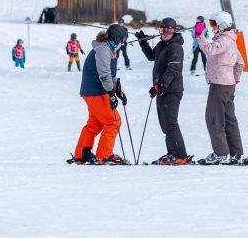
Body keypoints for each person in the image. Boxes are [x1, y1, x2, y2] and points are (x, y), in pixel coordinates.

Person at [135, 17, 190, 165]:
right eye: (162, 30)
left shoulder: (176, 47)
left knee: (170, 123)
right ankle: (172, 153)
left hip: (172, 90)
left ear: (174, 31)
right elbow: (151, 56)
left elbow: (173, 70)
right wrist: (143, 42)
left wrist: (160, 85)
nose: (165, 33)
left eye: (168, 30)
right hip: (162, 90)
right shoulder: (161, 45)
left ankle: (180, 155)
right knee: (164, 124)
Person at [72, 24, 129, 164]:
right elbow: (104, 75)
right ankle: (104, 155)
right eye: (123, 39)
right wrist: (111, 93)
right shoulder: (104, 50)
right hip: (96, 92)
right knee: (113, 122)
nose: (124, 43)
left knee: (95, 124)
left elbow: (110, 74)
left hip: (93, 92)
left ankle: (82, 154)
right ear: (117, 38)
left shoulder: (108, 49)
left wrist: (117, 91)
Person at [195, 10, 246, 165]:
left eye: (213, 23)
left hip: (219, 84)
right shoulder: (231, 39)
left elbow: (210, 49)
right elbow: (240, 62)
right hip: (228, 85)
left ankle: (221, 154)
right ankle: (236, 153)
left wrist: (199, 36)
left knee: (214, 119)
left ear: (222, 24)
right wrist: (235, 79)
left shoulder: (224, 40)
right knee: (229, 119)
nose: (212, 27)